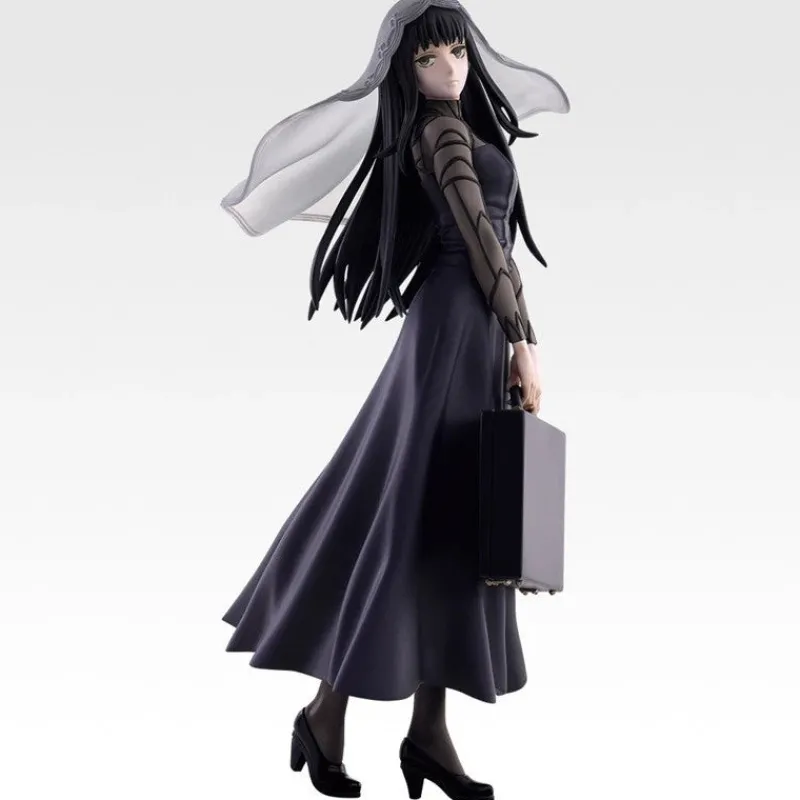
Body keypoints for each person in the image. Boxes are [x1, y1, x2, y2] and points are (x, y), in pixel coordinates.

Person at [219, 2, 570, 798]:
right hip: (452, 336)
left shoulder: (461, 124)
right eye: (428, 59)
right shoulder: (437, 134)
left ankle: (420, 733)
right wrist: (523, 337)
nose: (450, 69)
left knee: (446, 525)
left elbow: (499, 247)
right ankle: (333, 714)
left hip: (471, 331)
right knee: (412, 517)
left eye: (457, 51)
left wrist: (518, 331)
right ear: (402, 71)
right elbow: (480, 238)